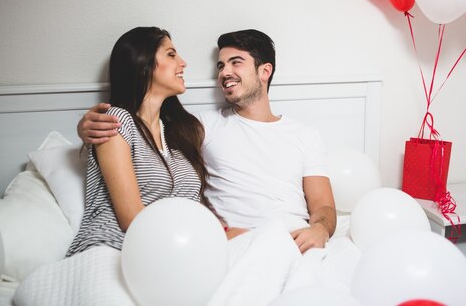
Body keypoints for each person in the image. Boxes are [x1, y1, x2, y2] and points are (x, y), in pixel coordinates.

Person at [78, 29, 336, 253]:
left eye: (236, 63)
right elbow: (134, 134)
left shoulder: (305, 135)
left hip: (291, 239)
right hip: (229, 243)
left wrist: (320, 231)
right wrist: (84, 127)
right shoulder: (200, 127)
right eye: (221, 66)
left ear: (264, 71)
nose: (225, 72)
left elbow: (323, 205)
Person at [66, 27, 208, 257]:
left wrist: (222, 233)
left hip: (172, 252)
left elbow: (194, 211)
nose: (183, 63)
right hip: (113, 249)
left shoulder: (181, 133)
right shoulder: (117, 122)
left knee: (264, 238)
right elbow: (131, 219)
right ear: (143, 64)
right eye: (171, 54)